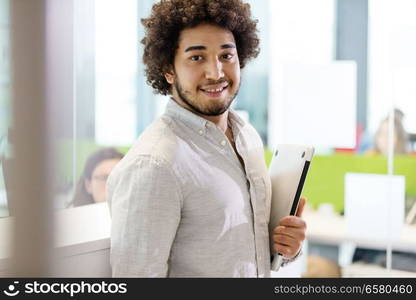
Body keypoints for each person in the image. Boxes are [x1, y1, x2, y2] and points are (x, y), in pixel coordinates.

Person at [107, 0, 307, 278]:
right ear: (168, 70)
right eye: (196, 57)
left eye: (226, 56)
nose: (216, 73)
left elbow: (249, 254)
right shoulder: (153, 164)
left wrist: (287, 248)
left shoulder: (247, 137)